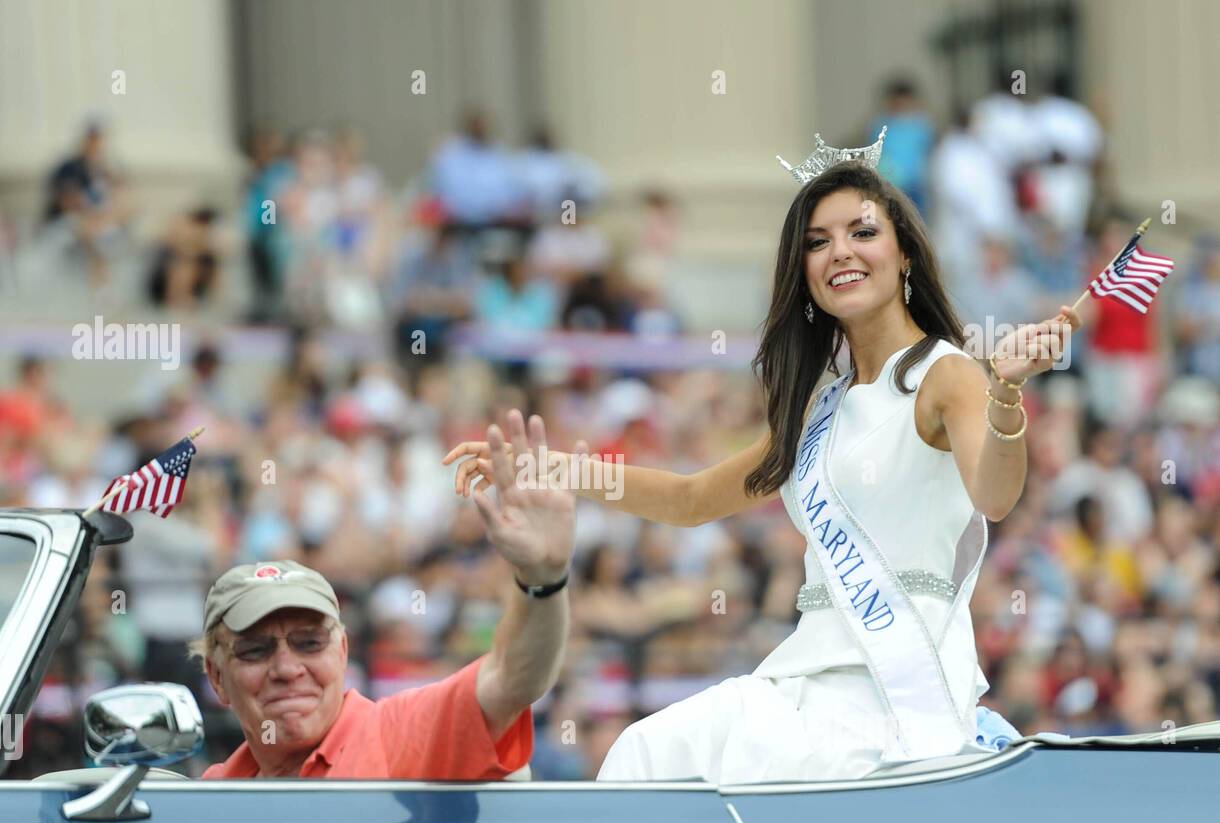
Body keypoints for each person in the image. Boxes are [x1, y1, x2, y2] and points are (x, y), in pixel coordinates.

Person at [445, 155, 1080, 783]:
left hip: (893, 696)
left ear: (905, 253)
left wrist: (1006, 393)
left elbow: (995, 497)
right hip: (805, 677)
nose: (840, 253)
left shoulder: (946, 374)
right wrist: (556, 468)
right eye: (818, 242)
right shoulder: (819, 408)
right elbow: (689, 499)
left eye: (862, 233)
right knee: (645, 753)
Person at [192, 411, 574, 780]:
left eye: (309, 643)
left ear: (342, 652)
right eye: (255, 650)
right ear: (217, 677)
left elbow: (512, 680)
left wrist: (543, 576)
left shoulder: (396, 735)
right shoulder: (216, 792)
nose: (288, 669)